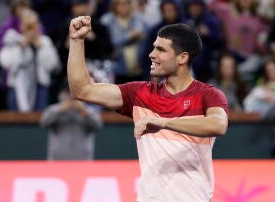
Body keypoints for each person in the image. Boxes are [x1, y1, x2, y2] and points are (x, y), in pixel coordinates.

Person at [67, 16, 229, 201]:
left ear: (182, 57)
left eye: (160, 49)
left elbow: (218, 124)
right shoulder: (140, 94)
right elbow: (82, 90)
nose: (152, 54)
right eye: (153, 47)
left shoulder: (208, 95)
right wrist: (77, 40)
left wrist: (163, 122)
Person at [0, 9, 60, 112]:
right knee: (15, 123)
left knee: (39, 124)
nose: (31, 29)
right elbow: (5, 62)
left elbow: (52, 65)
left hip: (40, 87)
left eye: (33, 25)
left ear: (38, 26)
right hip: (16, 88)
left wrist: (41, 48)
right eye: (28, 25)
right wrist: (21, 46)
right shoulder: (14, 41)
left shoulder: (45, 41)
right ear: (21, 26)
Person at [40, 85, 102, 160]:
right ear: (62, 94)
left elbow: (98, 126)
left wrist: (83, 111)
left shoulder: (89, 111)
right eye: (68, 93)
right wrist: (60, 111)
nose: (71, 97)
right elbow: (44, 123)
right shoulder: (53, 109)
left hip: (82, 160)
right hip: (58, 160)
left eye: (74, 94)